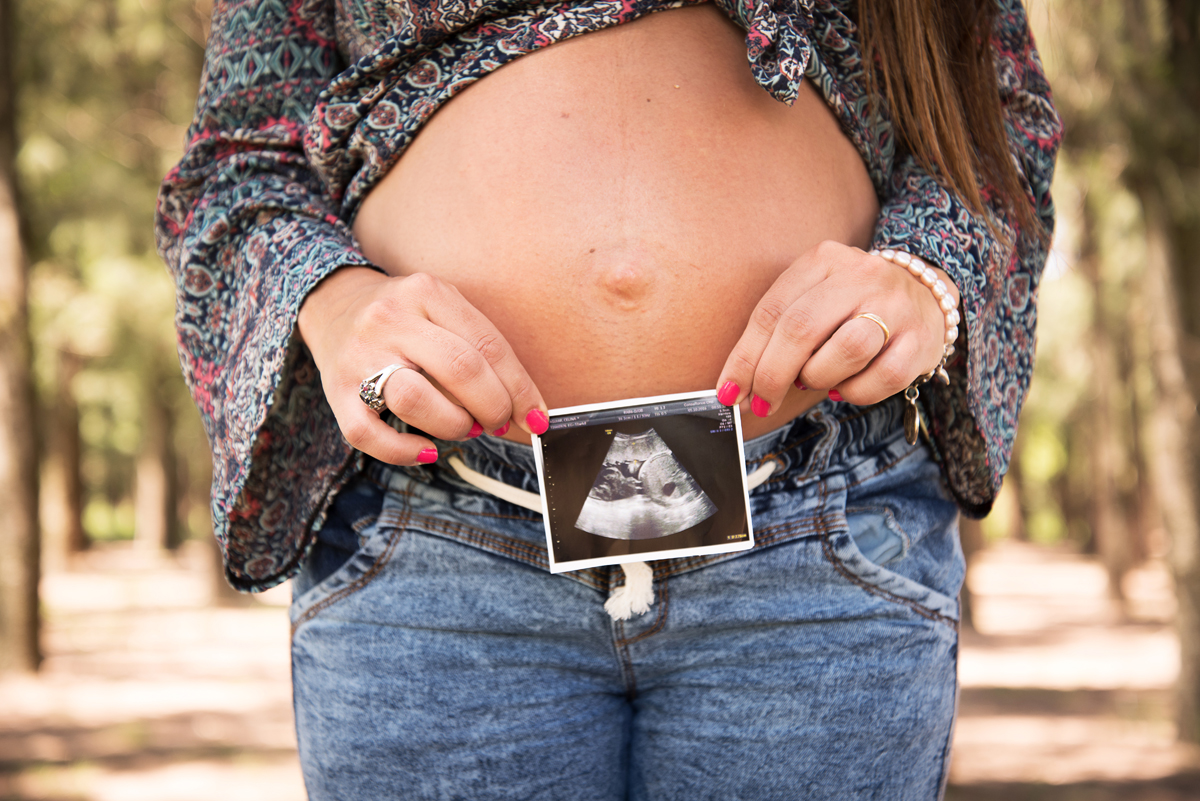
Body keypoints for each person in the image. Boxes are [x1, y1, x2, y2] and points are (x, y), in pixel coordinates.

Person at [156, 0, 1060, 797]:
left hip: (814, 532)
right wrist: (336, 302)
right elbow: (237, 164)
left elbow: (993, 117)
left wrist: (925, 276)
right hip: (442, 546)